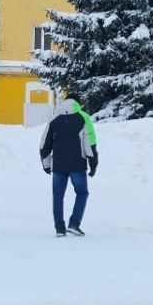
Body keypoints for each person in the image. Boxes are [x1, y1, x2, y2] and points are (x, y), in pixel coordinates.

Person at [40, 97, 98, 237]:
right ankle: (74, 224)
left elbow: (44, 144)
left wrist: (46, 164)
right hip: (78, 164)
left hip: (58, 165)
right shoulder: (83, 118)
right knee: (82, 193)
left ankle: (60, 229)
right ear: (78, 103)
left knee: (58, 196)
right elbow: (89, 142)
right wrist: (93, 163)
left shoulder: (54, 119)